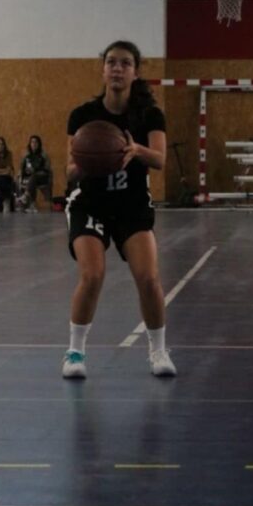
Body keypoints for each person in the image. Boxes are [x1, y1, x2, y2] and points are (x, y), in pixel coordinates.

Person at [62, 40, 176, 379]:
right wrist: (89, 161)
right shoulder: (83, 115)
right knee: (92, 275)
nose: (117, 68)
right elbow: (69, 171)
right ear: (103, 69)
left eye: (125, 63)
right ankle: (75, 353)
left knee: (148, 278)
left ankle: (158, 351)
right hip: (90, 204)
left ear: (135, 72)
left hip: (131, 204)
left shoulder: (149, 115)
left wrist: (135, 150)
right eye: (111, 62)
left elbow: (160, 160)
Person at [17, 135, 52, 212]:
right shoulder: (26, 156)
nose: (34, 144)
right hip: (30, 177)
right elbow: (22, 168)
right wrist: (24, 172)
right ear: (30, 144)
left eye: (36, 142)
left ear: (39, 144)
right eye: (32, 142)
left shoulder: (44, 155)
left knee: (34, 177)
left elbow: (47, 168)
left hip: (42, 176)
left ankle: (25, 196)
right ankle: (30, 205)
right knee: (26, 180)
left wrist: (35, 170)